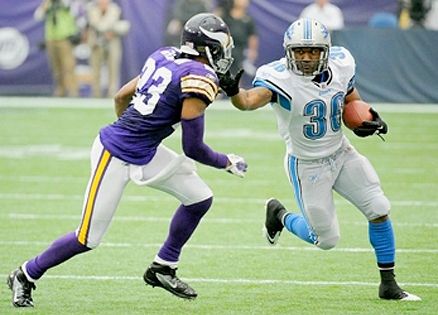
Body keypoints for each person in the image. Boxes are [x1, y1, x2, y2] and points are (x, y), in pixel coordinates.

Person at [7, 13, 247, 307]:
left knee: (199, 198)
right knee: (87, 238)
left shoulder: (164, 55)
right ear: (209, 47)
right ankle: (25, 274)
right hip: (115, 154)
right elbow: (193, 147)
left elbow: (121, 96)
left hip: (143, 149)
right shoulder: (199, 79)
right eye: (221, 47)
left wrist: (136, 131)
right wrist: (226, 162)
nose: (225, 54)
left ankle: (163, 266)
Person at [218, 17, 421, 301]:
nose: (306, 57)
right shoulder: (280, 79)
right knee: (326, 240)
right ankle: (279, 215)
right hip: (307, 164)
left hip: (341, 152)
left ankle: (388, 285)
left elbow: (350, 98)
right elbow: (250, 101)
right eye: (300, 51)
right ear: (289, 51)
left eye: (312, 51)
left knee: (379, 207)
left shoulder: (341, 65)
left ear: (325, 51)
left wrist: (365, 118)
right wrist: (233, 91)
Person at [34, 0, 79, 97]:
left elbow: (74, 11)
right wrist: (46, 4)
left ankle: (73, 92)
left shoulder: (66, 2)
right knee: (56, 69)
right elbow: (38, 16)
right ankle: (60, 91)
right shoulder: (48, 3)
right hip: (50, 39)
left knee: (69, 67)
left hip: (64, 38)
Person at [87, 0, 130, 97]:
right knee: (95, 70)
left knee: (113, 70)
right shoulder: (91, 9)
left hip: (112, 42)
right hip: (96, 43)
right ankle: (95, 94)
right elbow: (94, 26)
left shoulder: (116, 10)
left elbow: (125, 26)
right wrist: (109, 28)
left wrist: (113, 30)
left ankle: (113, 95)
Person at [220, 0, 258, 88]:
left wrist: (253, 51)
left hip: (240, 50)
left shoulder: (248, 20)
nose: (243, 2)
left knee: (237, 74)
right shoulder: (225, 17)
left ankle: (237, 93)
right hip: (226, 50)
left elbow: (253, 37)